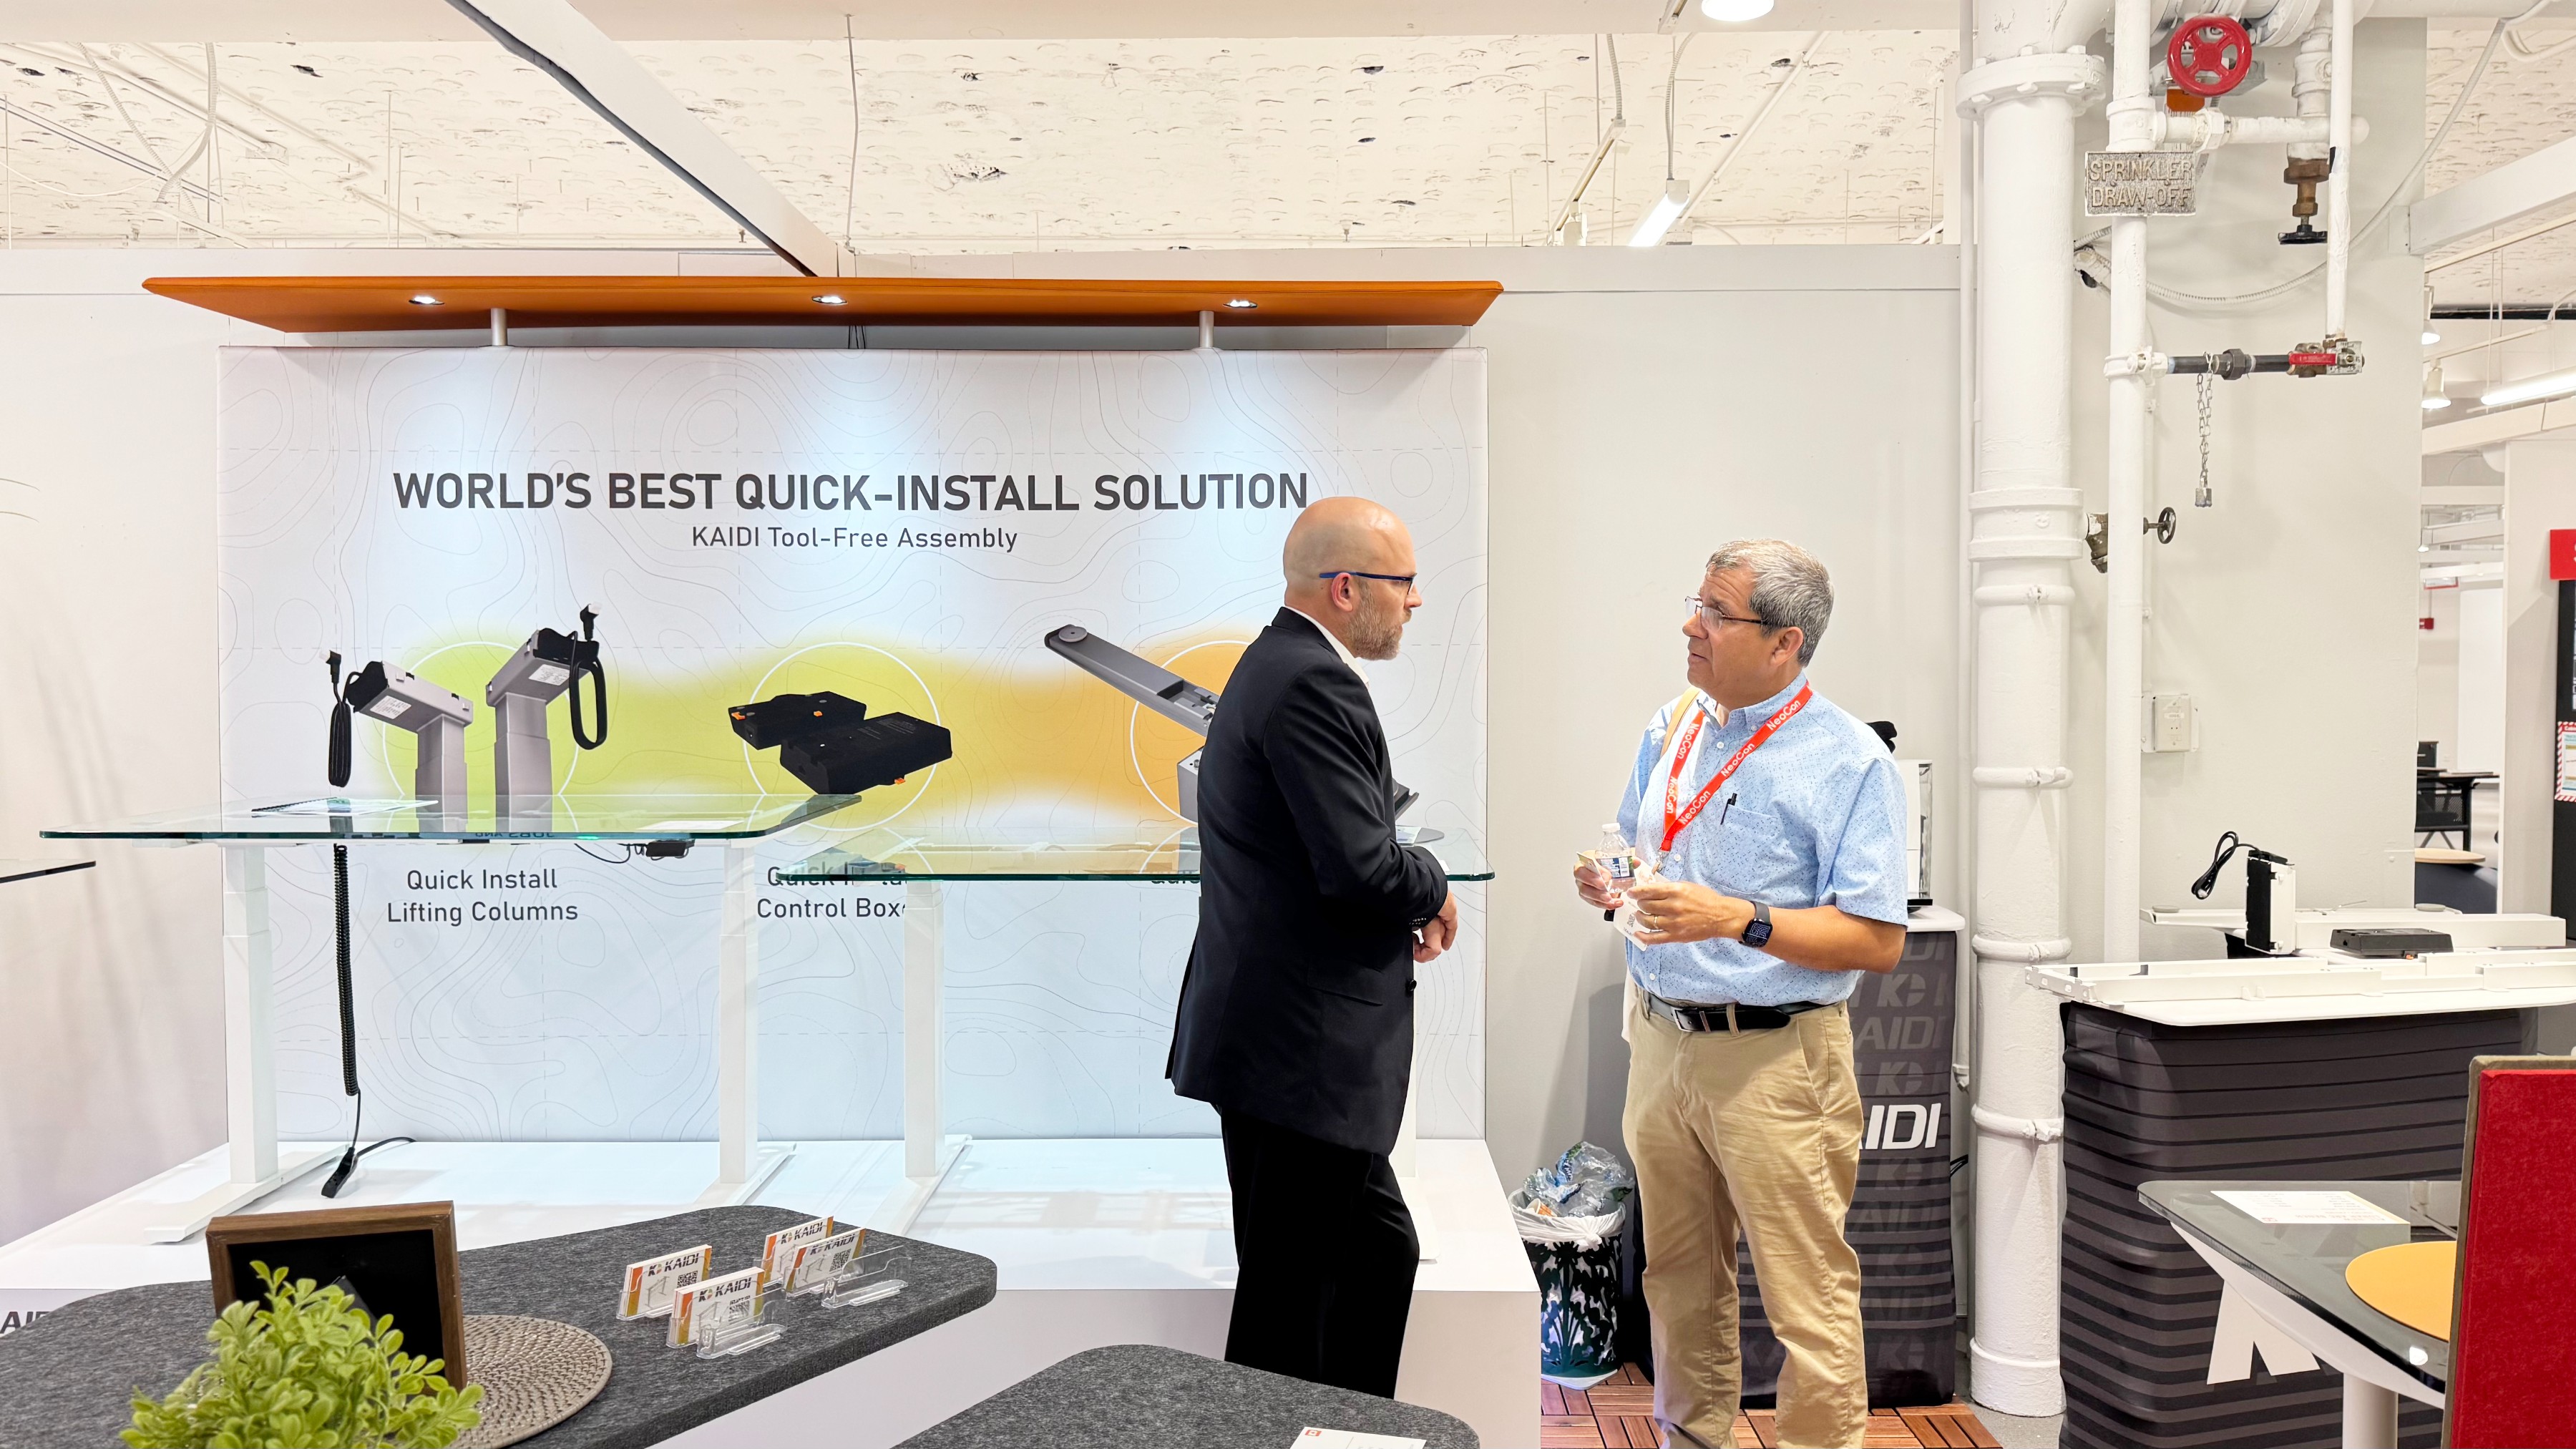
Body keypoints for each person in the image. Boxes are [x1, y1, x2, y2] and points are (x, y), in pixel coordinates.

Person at [1571, 539, 1908, 1449]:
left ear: (1784, 643)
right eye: (1697, 604)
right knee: (1677, 1277)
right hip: (1660, 1039)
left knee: (1807, 1295)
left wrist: (1736, 919)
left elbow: (1878, 939)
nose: (1692, 625)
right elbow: (1639, 846)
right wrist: (1609, 880)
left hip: (1776, 1058)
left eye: (1717, 614)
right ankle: (1691, 1438)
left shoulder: (1848, 762)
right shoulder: (1673, 724)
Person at [1168, 495, 1459, 1397]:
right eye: (1404, 581)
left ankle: (1348, 1431)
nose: (1415, 600)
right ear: (1345, 588)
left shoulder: (1275, 663)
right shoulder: (1310, 682)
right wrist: (1433, 884)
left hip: (1281, 1044)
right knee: (1291, 1311)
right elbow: (1360, 866)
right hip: (1301, 1052)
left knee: (1371, 1256)